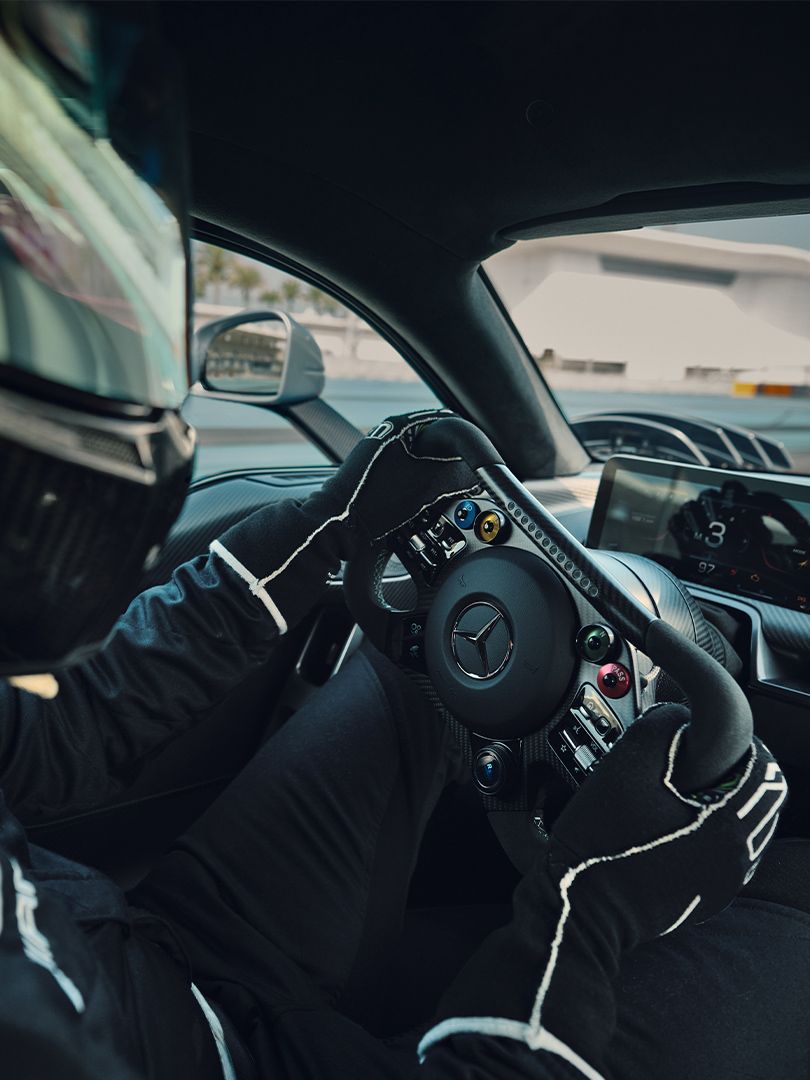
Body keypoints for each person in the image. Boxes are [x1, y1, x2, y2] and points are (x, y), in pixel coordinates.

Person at [0, 4, 807, 1079]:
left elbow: (58, 746)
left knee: (416, 661)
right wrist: (588, 899)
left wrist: (323, 524)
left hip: (161, 957)